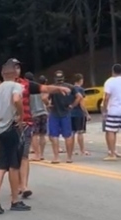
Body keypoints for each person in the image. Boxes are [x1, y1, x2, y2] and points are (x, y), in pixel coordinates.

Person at [13, 60, 70, 199]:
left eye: (17, 67)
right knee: (14, 159)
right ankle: (16, 186)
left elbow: (44, 89)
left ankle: (24, 186)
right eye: (12, 68)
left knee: (24, 156)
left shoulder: (26, 85)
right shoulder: (2, 87)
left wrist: (58, 89)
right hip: (9, 126)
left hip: (25, 124)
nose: (15, 70)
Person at [0, 59, 30, 214]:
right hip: (12, 129)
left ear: (3, 74)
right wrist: (21, 116)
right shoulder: (17, 86)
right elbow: (17, 99)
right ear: (15, 73)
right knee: (14, 166)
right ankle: (15, 201)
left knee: (0, 166)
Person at [46, 70, 76, 164]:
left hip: (54, 113)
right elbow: (79, 96)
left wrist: (47, 104)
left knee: (54, 136)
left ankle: (56, 157)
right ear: (63, 78)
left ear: (55, 78)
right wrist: (72, 105)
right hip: (66, 113)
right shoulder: (70, 87)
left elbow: (44, 97)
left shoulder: (52, 88)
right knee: (68, 136)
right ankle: (69, 157)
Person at [27, 73, 49, 161]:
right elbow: (45, 99)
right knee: (42, 135)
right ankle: (42, 154)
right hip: (44, 112)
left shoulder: (27, 90)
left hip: (34, 114)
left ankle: (37, 154)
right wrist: (48, 105)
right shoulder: (40, 88)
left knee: (34, 135)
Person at [70, 74, 91, 156]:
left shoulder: (70, 89)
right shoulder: (81, 90)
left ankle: (71, 150)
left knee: (72, 133)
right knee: (80, 132)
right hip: (79, 113)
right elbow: (82, 103)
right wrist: (87, 114)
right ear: (80, 80)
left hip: (71, 113)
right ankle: (82, 150)